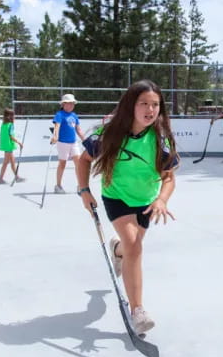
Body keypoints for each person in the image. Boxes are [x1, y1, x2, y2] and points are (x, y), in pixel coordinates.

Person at [77, 79, 179, 335]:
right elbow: (84, 159)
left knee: (129, 249)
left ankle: (117, 249)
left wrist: (162, 199)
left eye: (155, 104)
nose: (150, 109)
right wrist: (84, 190)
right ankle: (138, 311)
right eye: (144, 103)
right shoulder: (109, 133)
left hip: (146, 201)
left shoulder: (161, 139)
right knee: (135, 246)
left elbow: (169, 177)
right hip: (117, 198)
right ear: (130, 105)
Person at [51, 93, 85, 193]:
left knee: (78, 163)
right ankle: (58, 185)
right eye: (69, 103)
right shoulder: (59, 114)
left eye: (72, 103)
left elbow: (78, 130)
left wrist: (85, 140)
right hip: (62, 143)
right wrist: (55, 136)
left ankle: (80, 186)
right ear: (63, 104)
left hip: (73, 142)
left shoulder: (74, 115)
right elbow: (57, 126)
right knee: (62, 164)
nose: (71, 105)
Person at [0, 108, 25, 184]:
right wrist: (19, 143)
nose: (14, 117)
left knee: (11, 162)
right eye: (13, 115)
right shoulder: (10, 125)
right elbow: (11, 136)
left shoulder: (3, 124)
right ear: (10, 116)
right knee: (6, 162)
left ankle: (16, 177)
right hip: (9, 146)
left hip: (6, 145)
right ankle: (1, 179)